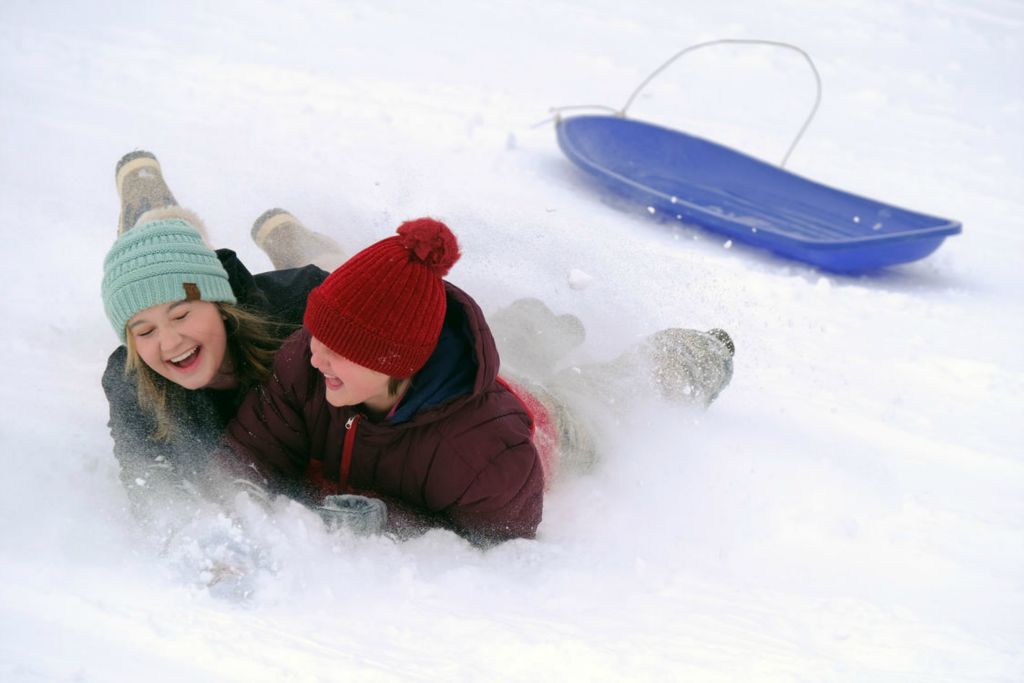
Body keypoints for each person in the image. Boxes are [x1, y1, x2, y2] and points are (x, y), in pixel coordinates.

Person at [216, 216, 737, 545]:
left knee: (614, 388)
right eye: (317, 337)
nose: (316, 357)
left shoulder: (485, 452)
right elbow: (252, 448)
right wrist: (243, 496)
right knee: (516, 333)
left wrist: (389, 522)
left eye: (340, 349)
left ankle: (696, 354)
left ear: (395, 363)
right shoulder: (307, 365)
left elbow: (503, 535)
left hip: (547, 421)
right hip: (467, 380)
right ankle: (543, 325)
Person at [100, 151, 341, 534]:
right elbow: (151, 481)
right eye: (144, 332)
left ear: (219, 306)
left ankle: (288, 239)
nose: (169, 341)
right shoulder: (133, 381)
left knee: (337, 266)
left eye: (181, 316)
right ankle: (148, 202)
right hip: (176, 275)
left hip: (292, 288)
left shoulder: (297, 307)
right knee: (153, 255)